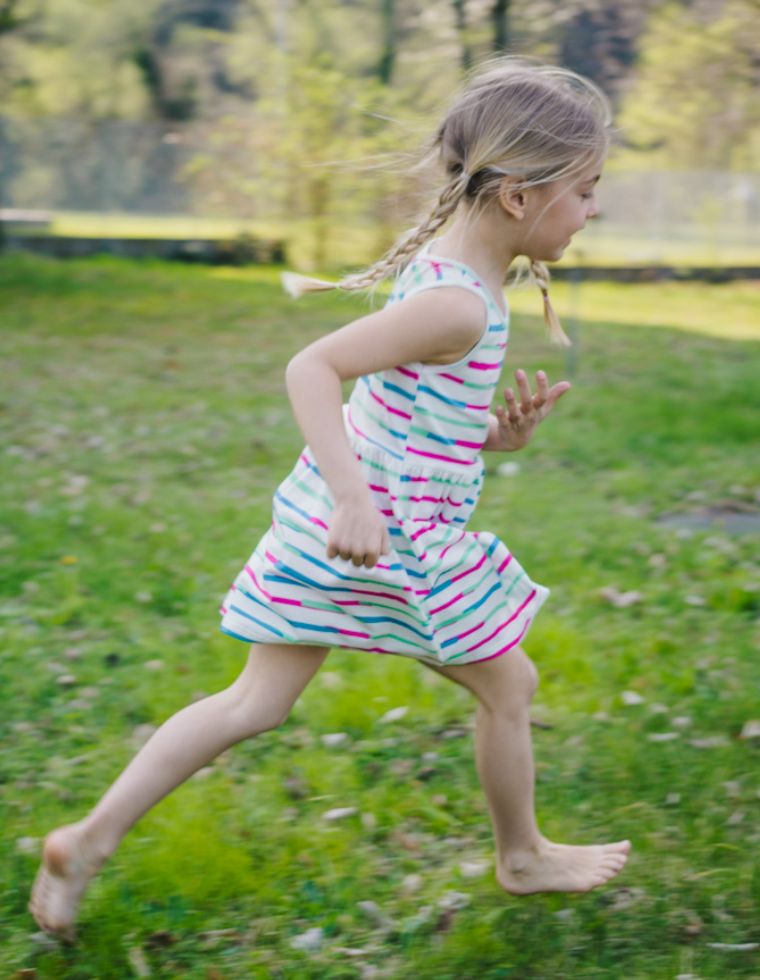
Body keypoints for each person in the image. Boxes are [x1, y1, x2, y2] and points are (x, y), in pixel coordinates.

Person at [30, 57, 631, 943]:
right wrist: (355, 501)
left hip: (352, 525)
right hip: (383, 537)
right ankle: (523, 857)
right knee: (510, 682)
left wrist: (491, 435)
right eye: (584, 192)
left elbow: (405, 409)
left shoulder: (462, 278)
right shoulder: (458, 305)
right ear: (517, 196)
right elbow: (311, 367)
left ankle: (84, 844)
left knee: (252, 705)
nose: (590, 213)